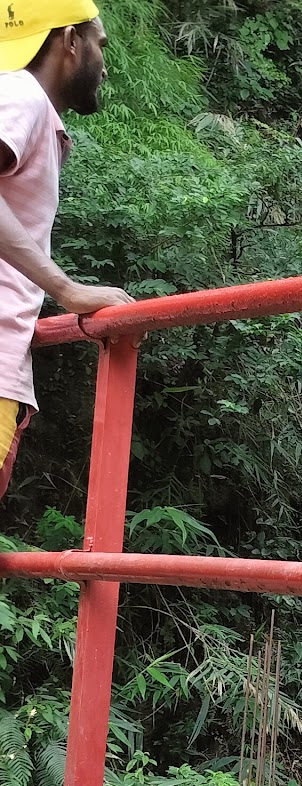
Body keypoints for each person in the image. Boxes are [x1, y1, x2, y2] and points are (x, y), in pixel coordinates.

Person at [0, 0, 131, 497]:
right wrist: (66, 289)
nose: (104, 63)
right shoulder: (20, 94)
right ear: (70, 41)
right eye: (100, 43)